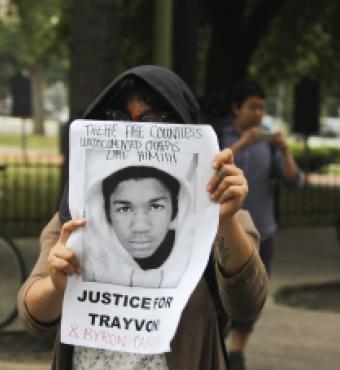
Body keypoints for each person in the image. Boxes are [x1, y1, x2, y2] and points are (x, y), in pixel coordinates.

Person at [18, 66, 268, 370]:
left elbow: (247, 304)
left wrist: (224, 221)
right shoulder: (73, 221)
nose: (136, 131)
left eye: (156, 119)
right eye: (119, 119)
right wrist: (56, 287)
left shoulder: (222, 219)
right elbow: (34, 319)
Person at [221, 79, 302, 370]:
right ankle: (219, 344)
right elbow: (206, 169)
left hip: (262, 231)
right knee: (220, 293)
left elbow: (294, 181)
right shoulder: (220, 136)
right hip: (223, 233)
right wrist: (242, 143)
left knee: (251, 293)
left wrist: (285, 151)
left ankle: (238, 354)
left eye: (262, 109)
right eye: (252, 107)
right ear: (236, 108)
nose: (257, 114)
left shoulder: (268, 144)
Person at [82, 165, 194, 288]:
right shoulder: (86, 260)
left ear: (175, 209)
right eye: (124, 209)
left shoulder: (196, 252)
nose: (140, 227)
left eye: (155, 207)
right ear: (107, 213)